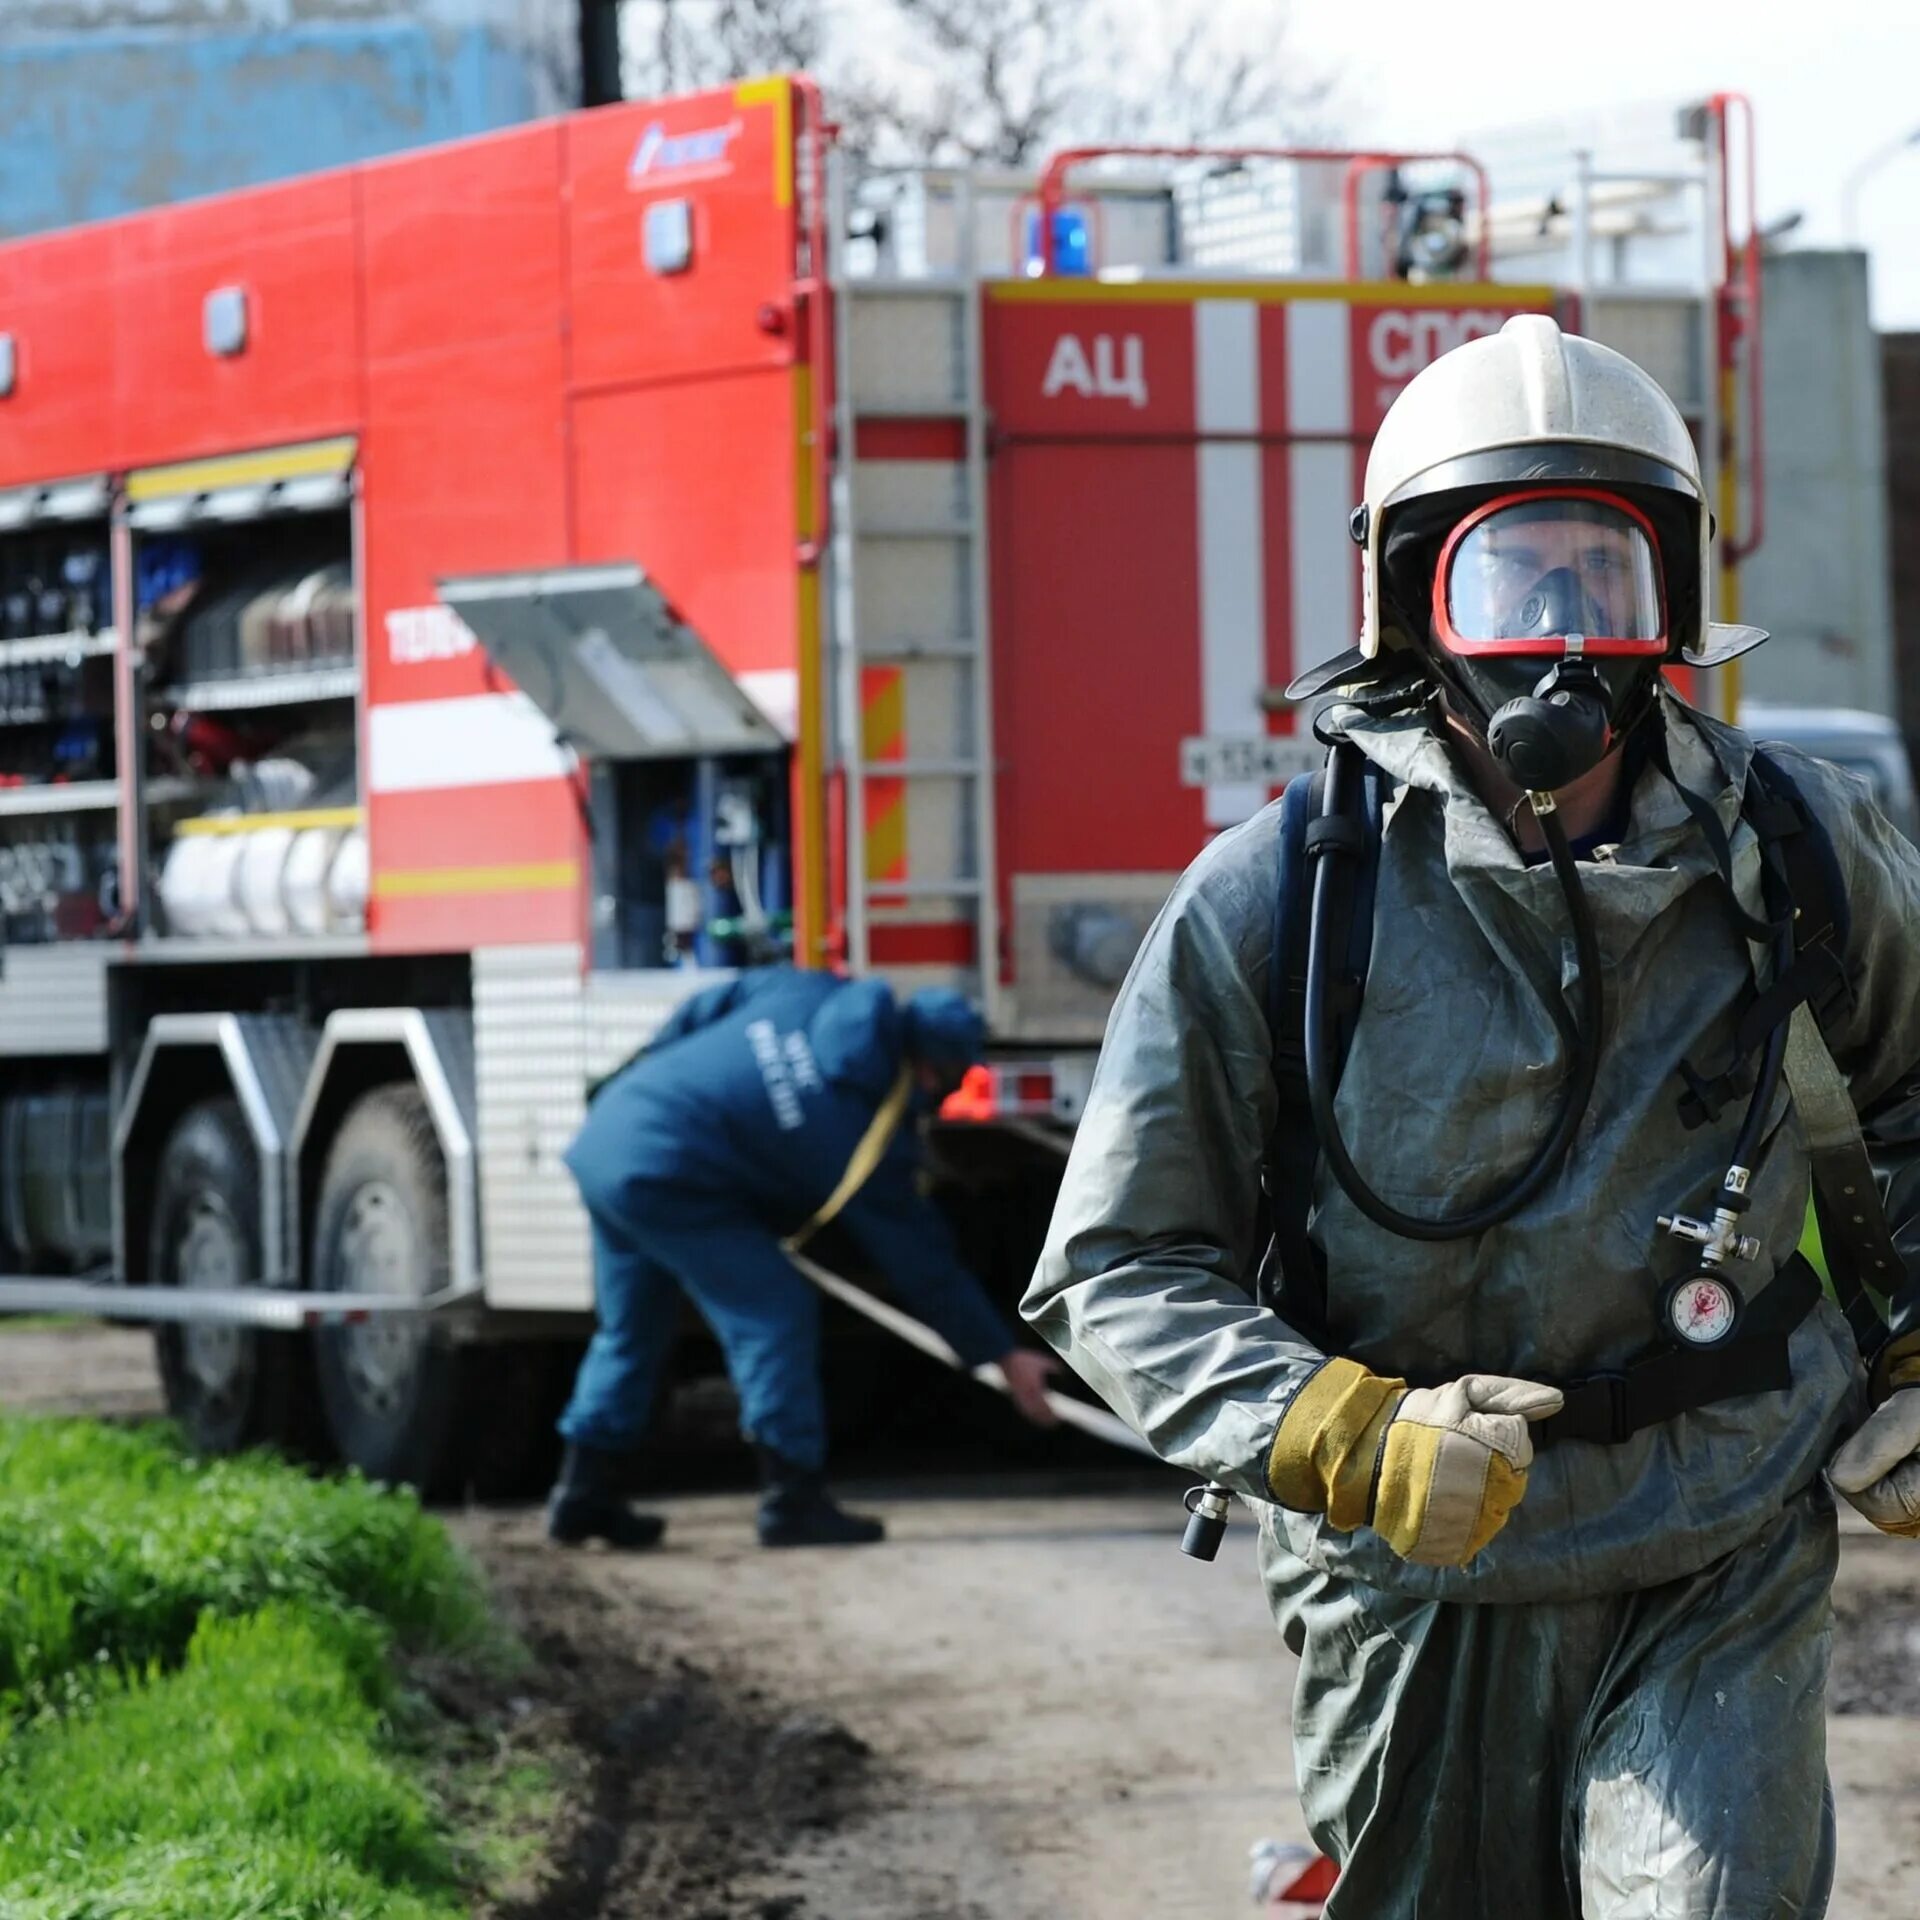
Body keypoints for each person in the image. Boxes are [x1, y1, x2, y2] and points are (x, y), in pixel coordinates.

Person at [1023, 315, 1920, 1917]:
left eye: (1609, 578)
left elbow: (1916, 1104)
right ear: (1408, 602)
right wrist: (1342, 1438)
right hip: (1409, 1575)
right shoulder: (1277, 902)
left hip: (1716, 1528)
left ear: (1675, 604)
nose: (1565, 636)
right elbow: (1119, 1268)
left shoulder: (1801, 856)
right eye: (1516, 580)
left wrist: (1914, 1348)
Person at [549, 966, 1060, 1550]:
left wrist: (641, 1074)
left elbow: (710, 1004)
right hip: (664, 1172)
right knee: (773, 1310)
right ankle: (791, 1499)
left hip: (611, 1131)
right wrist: (999, 1353)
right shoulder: (863, 1131)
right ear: (931, 1068)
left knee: (630, 1332)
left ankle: (582, 1494)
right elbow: (925, 1265)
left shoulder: (811, 989)